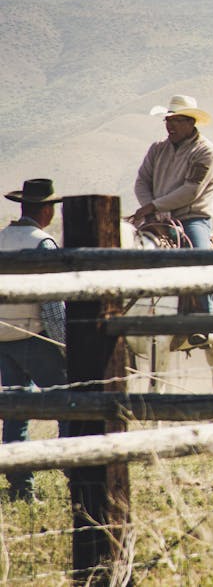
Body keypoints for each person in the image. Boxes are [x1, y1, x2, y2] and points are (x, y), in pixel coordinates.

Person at [0, 179, 69, 501]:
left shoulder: (2, 238)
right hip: (35, 336)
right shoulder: (42, 243)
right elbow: (52, 307)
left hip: (4, 338)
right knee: (69, 404)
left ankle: (20, 485)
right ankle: (78, 471)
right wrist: (66, 345)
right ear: (46, 210)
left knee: (15, 411)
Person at [131, 94, 213, 338]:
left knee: (199, 258)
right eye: (167, 120)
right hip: (157, 217)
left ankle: (204, 324)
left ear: (192, 122)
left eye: (177, 120)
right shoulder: (157, 149)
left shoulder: (206, 152)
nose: (170, 125)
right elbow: (141, 182)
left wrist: (153, 207)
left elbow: (191, 191)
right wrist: (152, 207)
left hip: (191, 218)